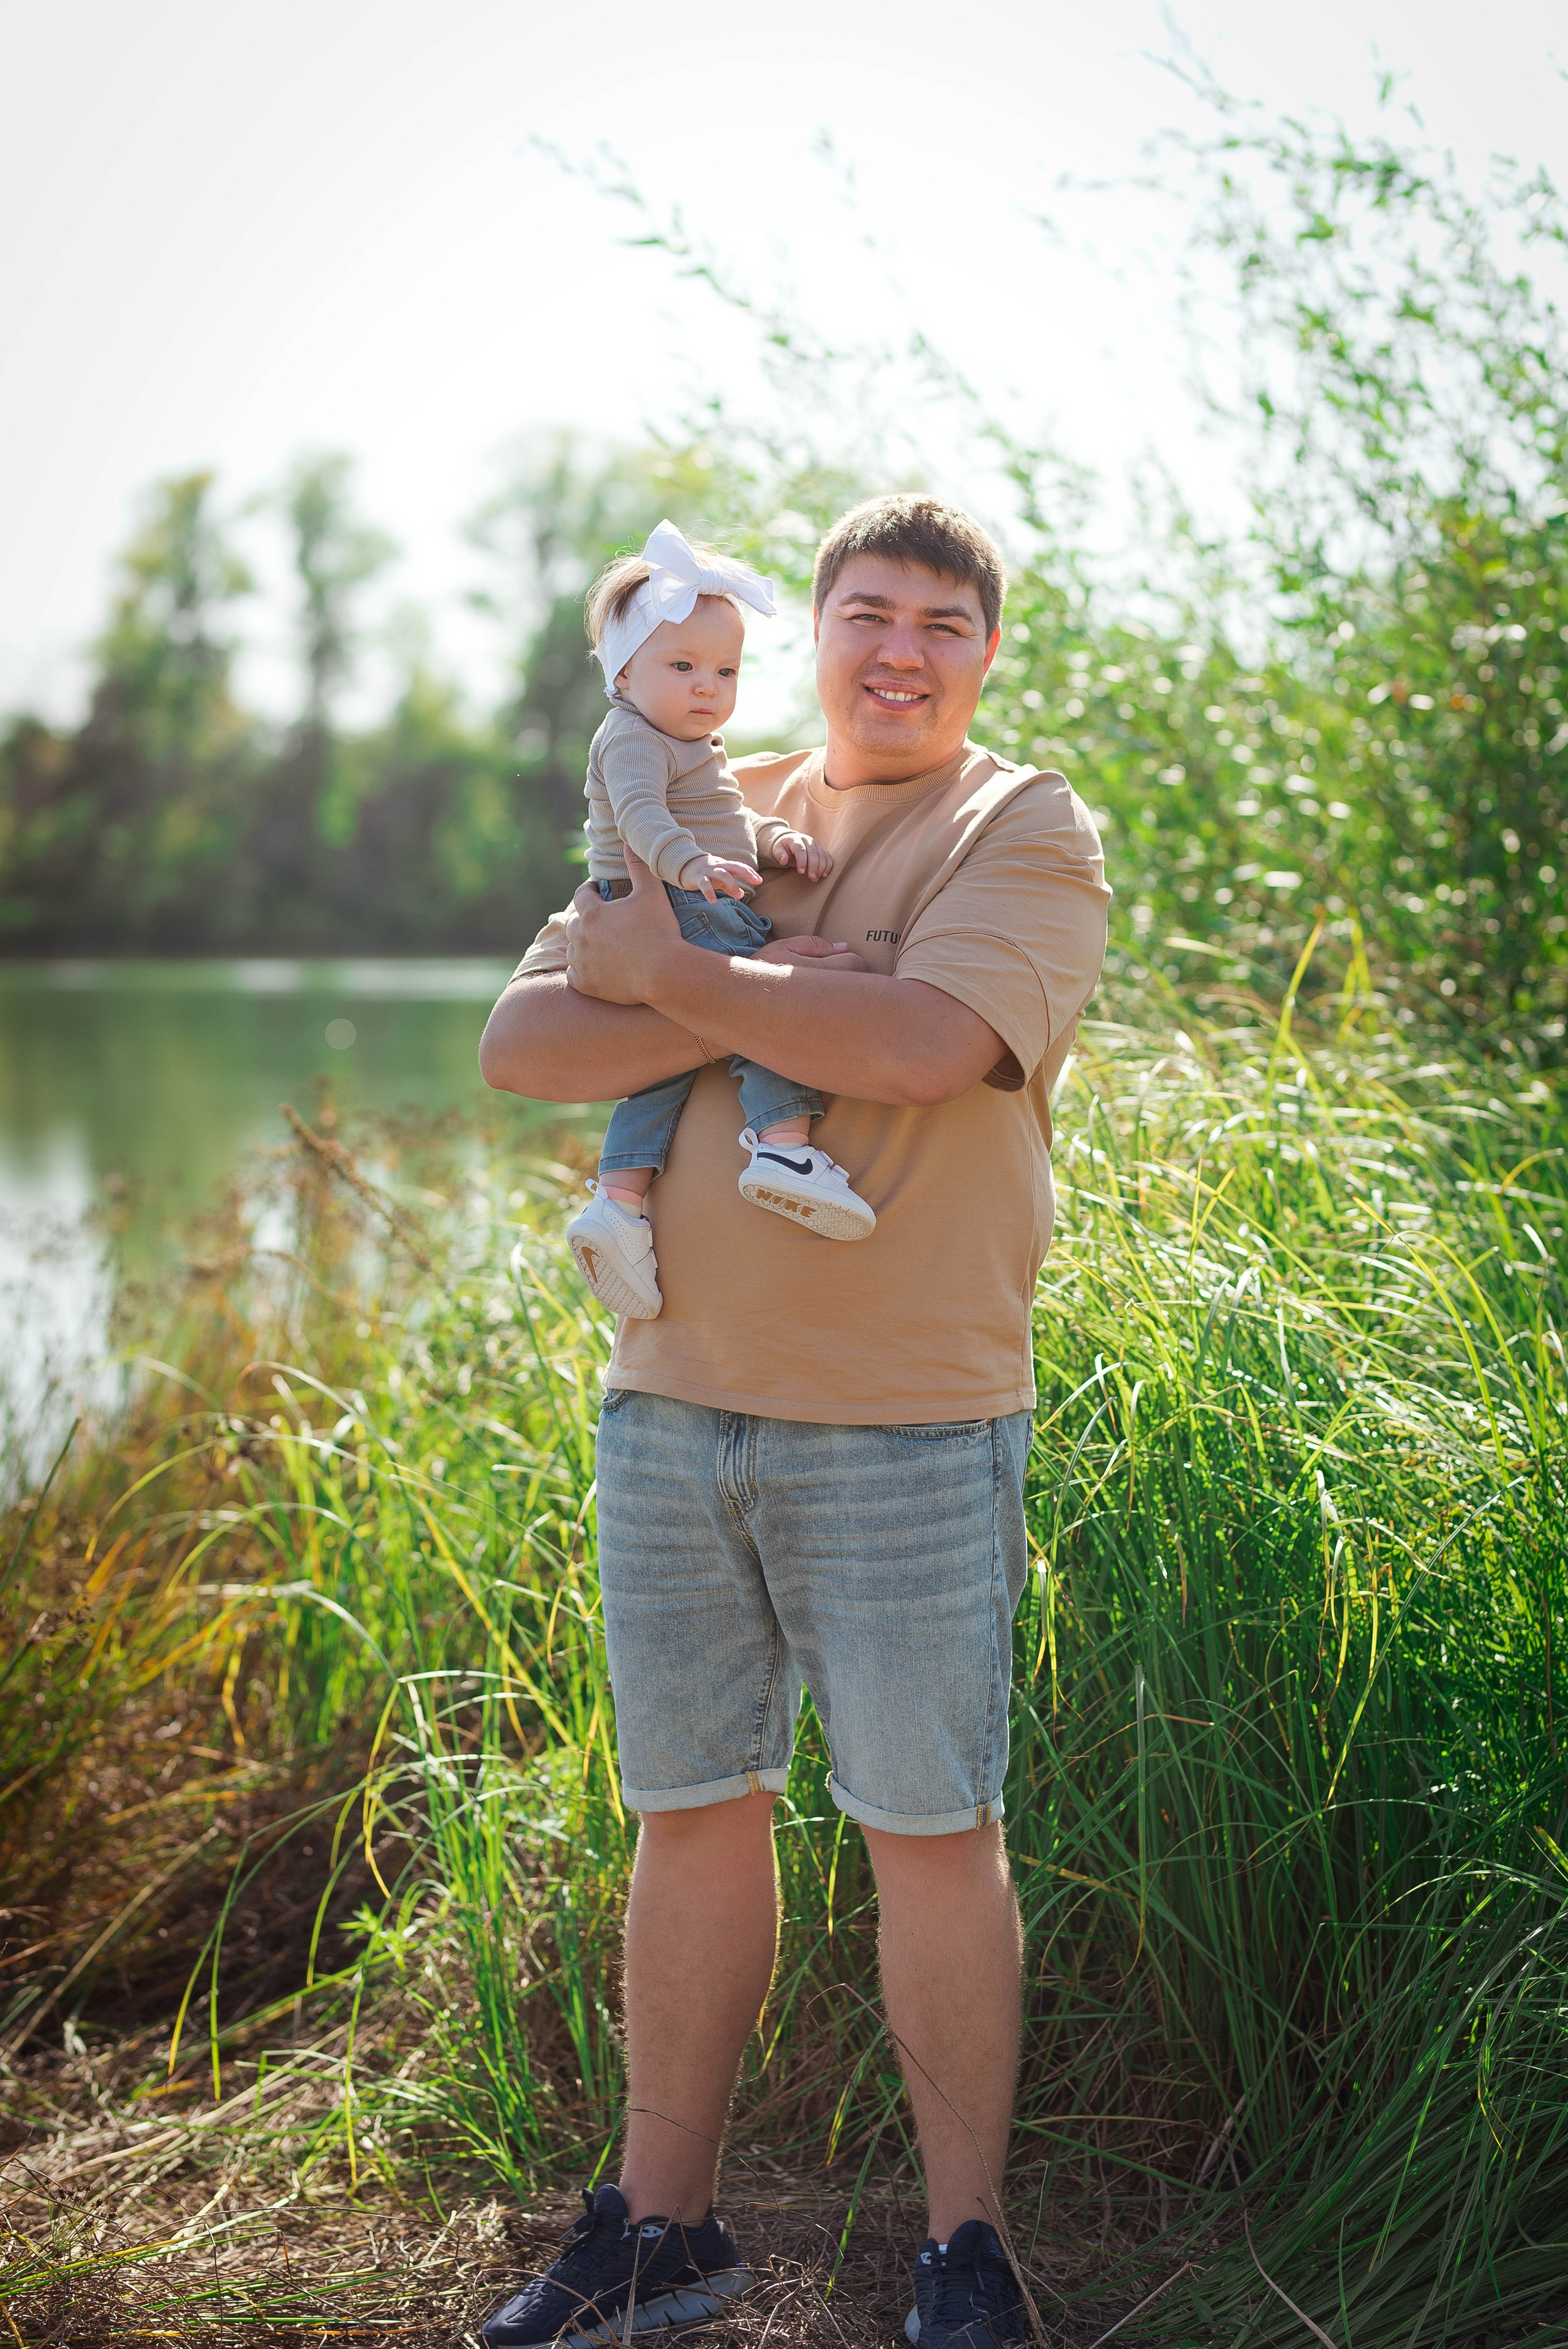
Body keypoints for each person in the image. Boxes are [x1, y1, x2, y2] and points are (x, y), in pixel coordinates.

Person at [477, 494, 1109, 2349]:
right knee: (688, 1815)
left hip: (907, 1421)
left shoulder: (1025, 823)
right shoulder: (693, 786)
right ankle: (663, 2229)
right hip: (670, 1409)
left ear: (985, 653)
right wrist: (764, 994)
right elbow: (524, 1044)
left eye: (940, 621)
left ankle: (961, 2253)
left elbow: (925, 1046)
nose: (898, 647)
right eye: (865, 612)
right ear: (812, 628)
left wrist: (668, 977)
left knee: (932, 1827)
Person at [566, 518, 874, 1324]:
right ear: (623, 675)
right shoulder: (631, 738)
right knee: (765, 1004)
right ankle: (785, 1150)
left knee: (663, 1065)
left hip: (680, 896)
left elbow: (724, 816)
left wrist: (777, 842)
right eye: (684, 666)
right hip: (671, 904)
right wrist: (691, 868)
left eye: (727, 670)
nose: (710, 687)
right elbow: (640, 817)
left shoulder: (696, 744)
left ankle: (621, 1202)